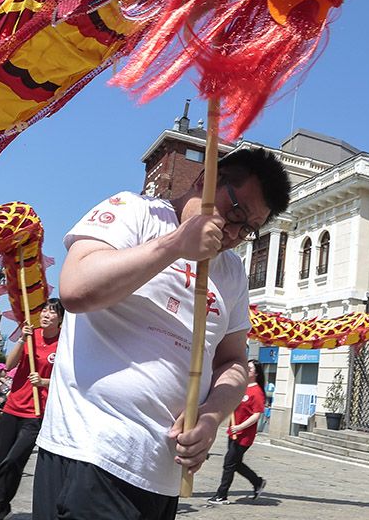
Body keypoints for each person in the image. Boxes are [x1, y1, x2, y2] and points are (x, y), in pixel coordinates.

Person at [34, 148, 292, 520]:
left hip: (163, 475)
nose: (234, 234)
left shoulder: (232, 273)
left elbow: (232, 361)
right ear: (205, 181)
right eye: (234, 215)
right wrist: (174, 246)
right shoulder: (134, 211)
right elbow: (75, 289)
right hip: (93, 451)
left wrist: (212, 416)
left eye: (248, 229)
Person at [0, 298, 65, 520]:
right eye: (44, 310)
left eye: (52, 312)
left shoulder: (63, 344)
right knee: (2, 462)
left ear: (60, 319)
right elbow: (8, 365)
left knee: (14, 461)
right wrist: (21, 339)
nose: (46, 314)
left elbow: (65, 379)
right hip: (13, 407)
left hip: (36, 413)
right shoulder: (31, 335)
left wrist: (44, 382)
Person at [206, 359, 268, 505]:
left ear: (256, 373)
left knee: (229, 463)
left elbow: (256, 415)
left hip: (244, 436)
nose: (247, 370)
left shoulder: (257, 392)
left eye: (250, 369)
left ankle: (222, 495)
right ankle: (258, 482)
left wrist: (240, 427)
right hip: (233, 431)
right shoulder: (242, 388)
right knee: (236, 463)